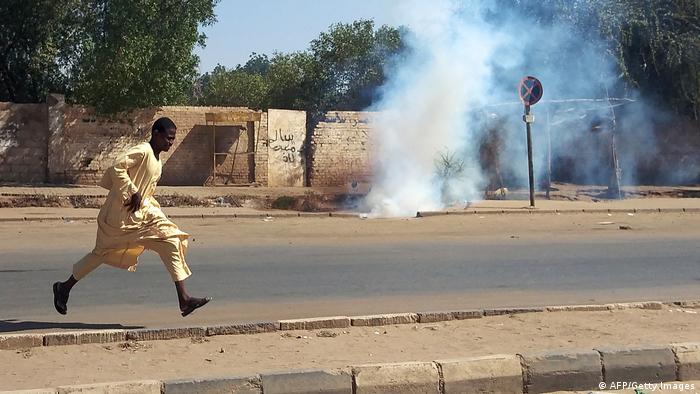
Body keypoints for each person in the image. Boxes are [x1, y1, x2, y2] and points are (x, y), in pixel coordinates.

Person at [52, 117, 211, 317]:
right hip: (118, 218)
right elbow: (117, 166)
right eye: (168, 138)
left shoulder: (157, 159)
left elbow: (147, 191)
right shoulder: (143, 151)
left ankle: (184, 300)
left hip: (142, 216)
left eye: (173, 139)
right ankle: (63, 288)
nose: (171, 143)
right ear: (156, 133)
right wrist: (132, 191)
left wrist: (146, 203)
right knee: (100, 254)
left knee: (170, 240)